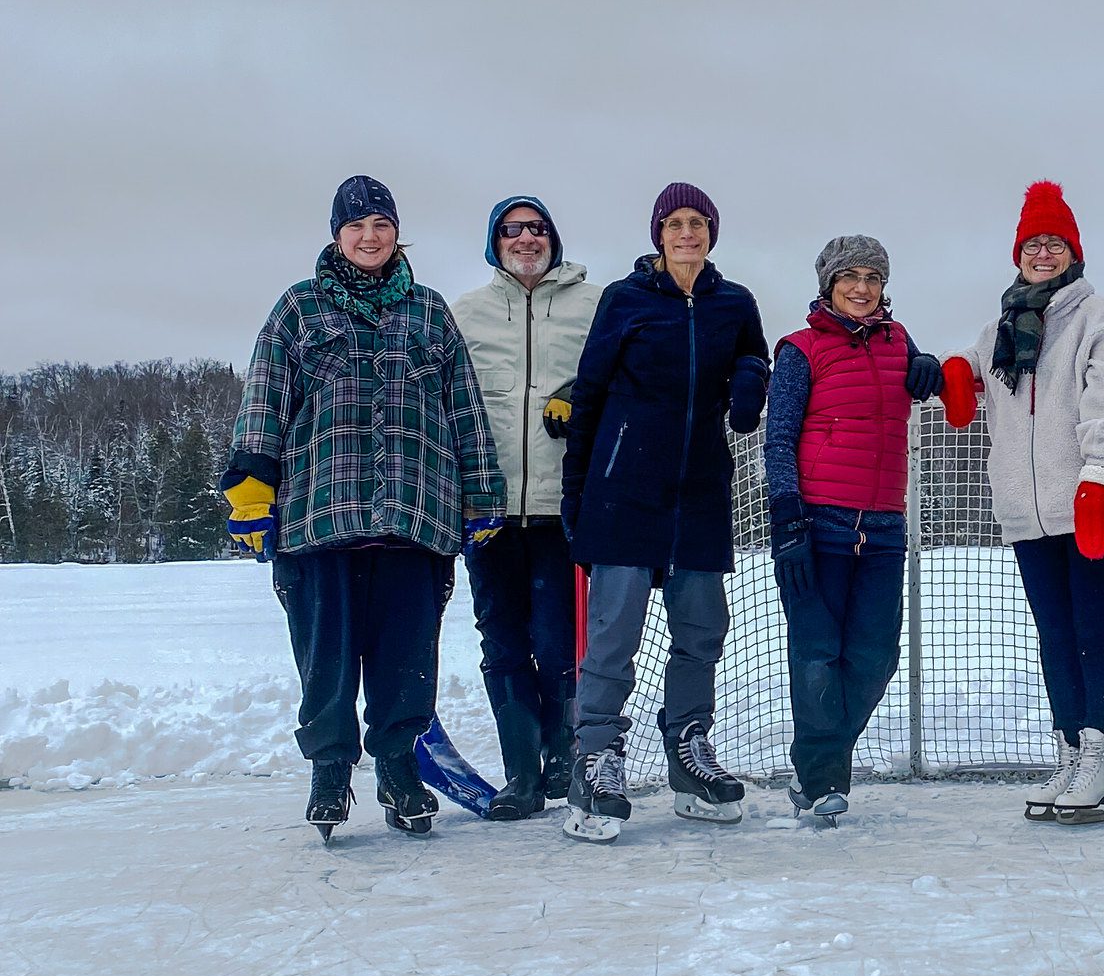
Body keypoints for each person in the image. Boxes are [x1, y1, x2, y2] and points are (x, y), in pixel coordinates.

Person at [222, 175, 504, 840]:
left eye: (381, 224)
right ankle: (329, 769)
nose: (369, 236)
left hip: (415, 517)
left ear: (395, 232)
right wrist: (251, 492)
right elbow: (264, 399)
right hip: (320, 519)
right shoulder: (298, 308)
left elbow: (464, 408)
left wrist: (481, 497)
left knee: (407, 658)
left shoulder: (431, 314)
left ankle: (400, 770)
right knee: (325, 659)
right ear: (336, 235)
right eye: (357, 226)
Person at [557, 182, 769, 841]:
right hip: (625, 495)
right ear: (658, 233)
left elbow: (752, 355)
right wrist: (577, 492)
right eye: (675, 223)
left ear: (711, 231)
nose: (686, 233)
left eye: (697, 222)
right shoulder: (626, 300)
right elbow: (588, 392)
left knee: (702, 628)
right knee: (614, 634)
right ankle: (595, 758)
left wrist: (749, 378)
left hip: (700, 493)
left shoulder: (734, 303)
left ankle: (689, 751)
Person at [939, 182, 1104, 824]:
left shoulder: (1098, 317)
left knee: (1091, 628)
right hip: (1027, 513)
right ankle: (1070, 750)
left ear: (1073, 253)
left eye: (1054, 244)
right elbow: (970, 372)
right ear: (1018, 254)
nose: (1043, 255)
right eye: (1033, 245)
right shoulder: (1001, 326)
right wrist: (955, 374)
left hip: (1088, 504)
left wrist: (1101, 475)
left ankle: (1101, 758)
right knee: (1055, 636)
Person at [764, 235, 944, 823]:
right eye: (850, 276)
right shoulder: (800, 349)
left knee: (873, 657)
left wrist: (929, 366)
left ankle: (821, 759)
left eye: (872, 276)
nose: (861, 287)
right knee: (818, 654)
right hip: (818, 525)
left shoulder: (899, 341)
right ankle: (820, 781)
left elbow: (923, 382)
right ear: (828, 284)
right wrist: (787, 516)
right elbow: (780, 437)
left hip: (884, 530)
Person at [449, 196, 601, 820]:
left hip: (560, 507)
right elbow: (442, 403)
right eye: (512, 231)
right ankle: (521, 776)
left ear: (554, 239)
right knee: (503, 641)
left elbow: (617, 379)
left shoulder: (593, 307)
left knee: (559, 641)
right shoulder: (465, 314)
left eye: (537, 229)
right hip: (486, 510)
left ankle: (563, 757)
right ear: (495, 243)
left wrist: (578, 396)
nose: (526, 239)